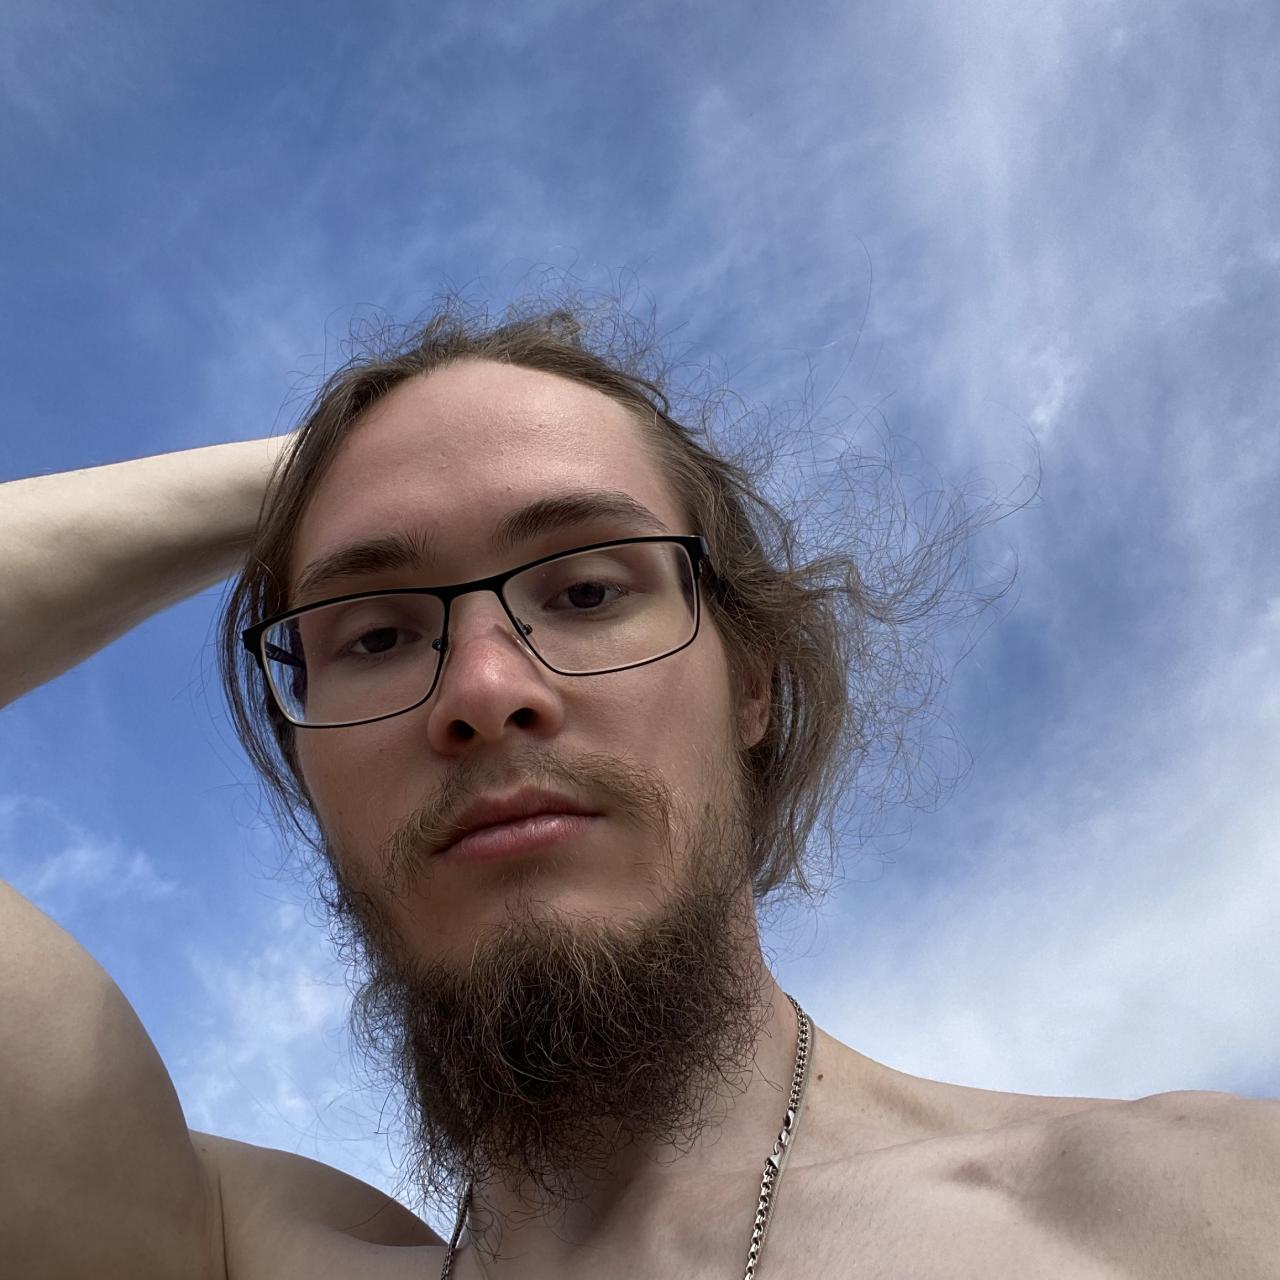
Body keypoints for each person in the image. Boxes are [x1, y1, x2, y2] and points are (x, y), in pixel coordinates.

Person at [1, 305, 1276, 1280]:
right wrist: (341, 462)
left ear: (750, 684)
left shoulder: (1194, 1209)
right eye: (375, 632)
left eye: (586, 588)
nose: (483, 689)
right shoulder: (225, 1249)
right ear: (309, 770)